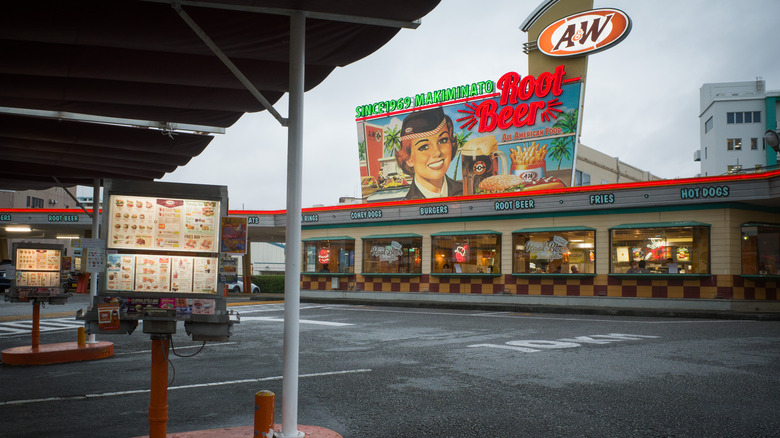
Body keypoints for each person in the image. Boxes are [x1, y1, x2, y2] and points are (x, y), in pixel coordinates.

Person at [395, 107, 462, 200]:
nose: (437, 152)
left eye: (443, 140)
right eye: (424, 147)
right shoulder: (405, 205)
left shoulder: (467, 190)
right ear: (409, 158)